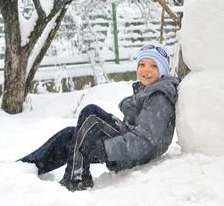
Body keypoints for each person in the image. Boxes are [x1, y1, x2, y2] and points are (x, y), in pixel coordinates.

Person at [19, 41, 179, 191]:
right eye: (142, 64)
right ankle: (27, 166)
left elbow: (143, 141)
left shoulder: (160, 97)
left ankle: (77, 178)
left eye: (153, 66)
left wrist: (106, 149)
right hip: (132, 147)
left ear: (163, 70)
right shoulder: (150, 91)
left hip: (139, 154)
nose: (146, 70)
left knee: (91, 115)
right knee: (72, 134)